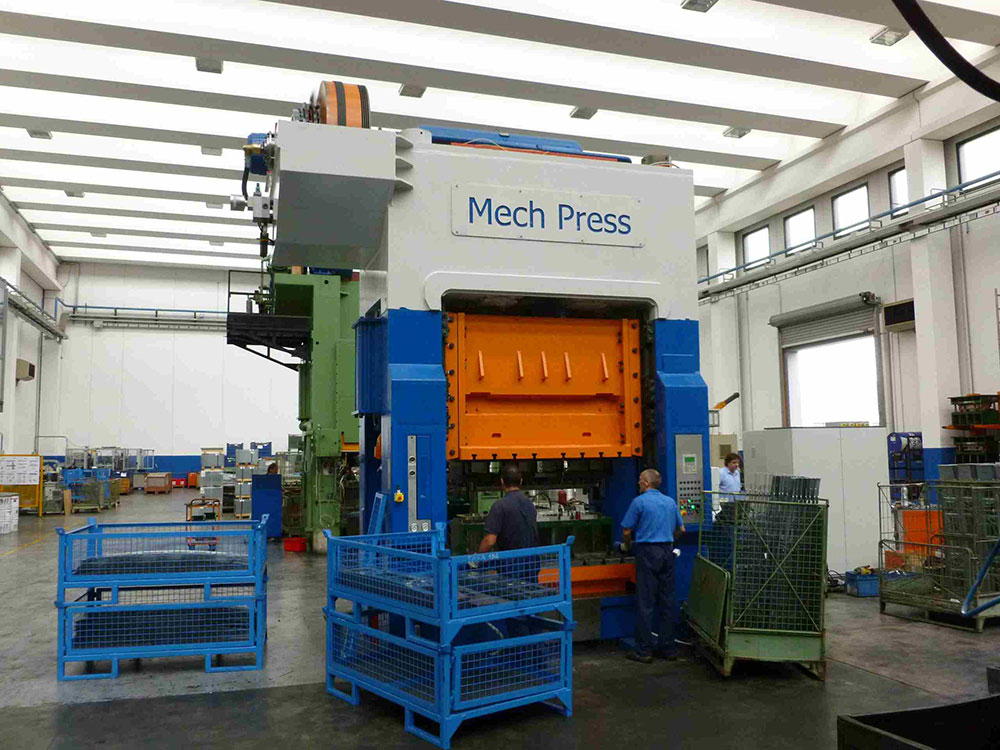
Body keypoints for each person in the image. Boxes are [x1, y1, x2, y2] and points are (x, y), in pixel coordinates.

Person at [621, 468, 685, 664]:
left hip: (647, 553)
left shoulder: (639, 502)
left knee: (646, 603)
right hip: (667, 552)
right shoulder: (670, 502)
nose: (638, 483)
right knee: (667, 601)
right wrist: (668, 540)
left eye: (640, 480)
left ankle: (644, 651)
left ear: (647, 483)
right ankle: (668, 649)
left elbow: (626, 531)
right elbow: (682, 529)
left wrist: (628, 546)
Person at [479, 463, 538, 553]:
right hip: (531, 559)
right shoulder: (530, 504)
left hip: (509, 560)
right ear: (521, 481)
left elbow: (489, 541)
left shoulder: (499, 506)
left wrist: (477, 558)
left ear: (502, 482)